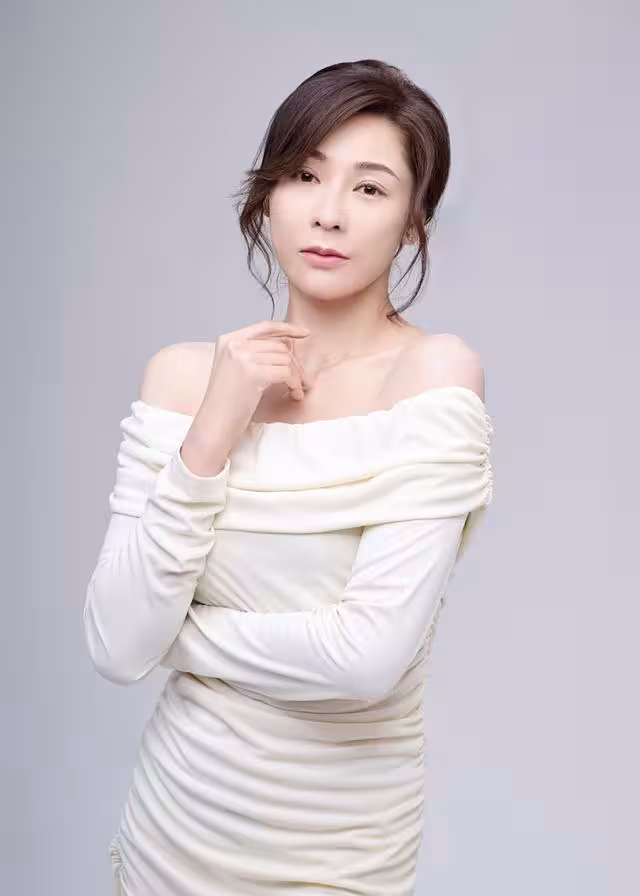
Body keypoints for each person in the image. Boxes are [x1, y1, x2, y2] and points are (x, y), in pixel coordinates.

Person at [83, 58, 495, 896]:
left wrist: (177, 639)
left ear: (413, 224)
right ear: (267, 194)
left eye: (370, 189)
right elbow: (117, 647)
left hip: (338, 856)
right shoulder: (183, 378)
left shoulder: (432, 377)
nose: (329, 212)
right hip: (170, 835)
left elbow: (366, 660)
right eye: (306, 175)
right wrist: (212, 431)